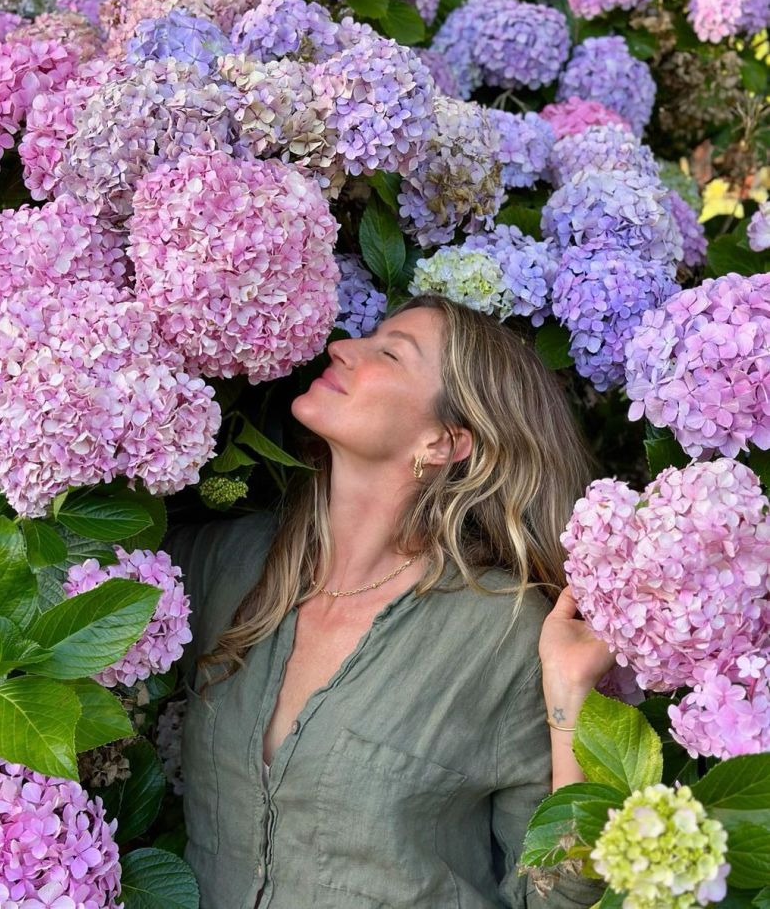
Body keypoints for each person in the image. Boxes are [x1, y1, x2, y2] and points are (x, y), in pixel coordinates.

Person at [166, 294, 615, 909]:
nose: (341, 347)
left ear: (446, 441)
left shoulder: (505, 631)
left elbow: (559, 896)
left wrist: (572, 704)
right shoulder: (226, 564)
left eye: (388, 353)